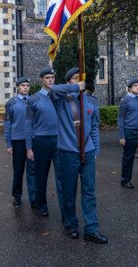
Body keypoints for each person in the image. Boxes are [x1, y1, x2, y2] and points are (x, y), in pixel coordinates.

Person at [50, 67, 107, 243]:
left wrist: (96, 148)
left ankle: (91, 228)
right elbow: (53, 89)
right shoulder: (61, 100)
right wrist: (75, 88)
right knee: (69, 191)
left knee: (89, 191)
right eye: (74, 78)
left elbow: (95, 127)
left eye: (80, 78)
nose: (78, 81)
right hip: (68, 152)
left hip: (88, 152)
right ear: (68, 82)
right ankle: (70, 224)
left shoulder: (91, 101)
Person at [26, 66, 65, 218]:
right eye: (47, 78)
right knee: (41, 175)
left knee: (62, 176)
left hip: (59, 140)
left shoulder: (60, 96)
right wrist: (29, 147)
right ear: (41, 79)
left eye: (52, 77)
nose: (50, 80)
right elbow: (28, 124)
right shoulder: (34, 99)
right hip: (41, 141)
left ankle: (65, 209)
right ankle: (41, 205)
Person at [4, 76, 36, 208]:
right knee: (18, 170)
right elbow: (7, 123)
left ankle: (34, 199)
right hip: (17, 141)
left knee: (33, 170)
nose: (25, 88)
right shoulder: (11, 103)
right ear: (18, 87)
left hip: (33, 141)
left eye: (27, 86)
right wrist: (8, 143)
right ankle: (17, 196)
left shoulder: (34, 101)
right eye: (23, 85)